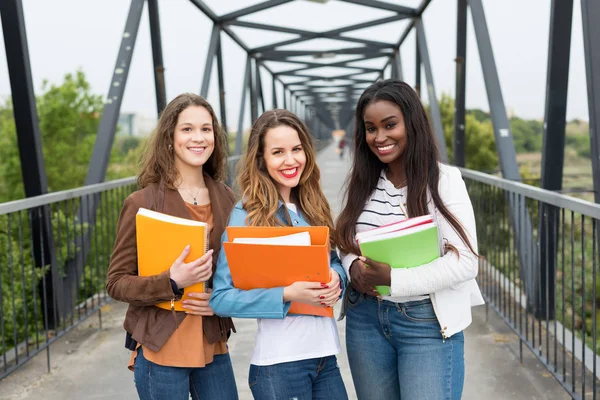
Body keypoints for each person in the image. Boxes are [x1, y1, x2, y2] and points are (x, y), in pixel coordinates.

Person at [335, 79, 484, 400]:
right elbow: (345, 238)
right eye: (370, 128)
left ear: (412, 124)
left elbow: (466, 262)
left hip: (426, 323)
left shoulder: (444, 181)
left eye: (390, 125)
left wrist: (393, 279)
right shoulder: (365, 181)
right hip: (365, 320)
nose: (379, 137)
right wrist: (351, 268)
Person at [106, 93, 238, 400]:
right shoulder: (142, 203)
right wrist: (172, 282)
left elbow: (236, 272)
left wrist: (221, 299)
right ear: (170, 137)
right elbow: (116, 283)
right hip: (161, 347)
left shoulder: (226, 198)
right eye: (187, 129)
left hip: (213, 343)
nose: (199, 138)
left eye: (206, 129)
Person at [210, 109, 349, 400]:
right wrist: (287, 293)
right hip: (281, 365)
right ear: (261, 160)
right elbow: (221, 298)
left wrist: (338, 277)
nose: (291, 160)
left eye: (297, 149)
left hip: (326, 358)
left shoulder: (313, 205)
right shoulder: (246, 215)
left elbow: (332, 261)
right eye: (278, 152)